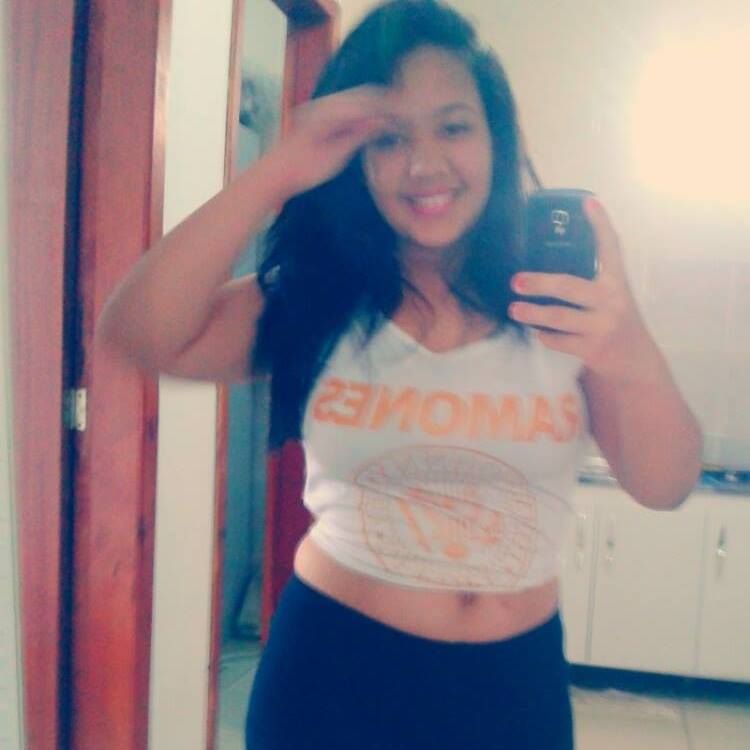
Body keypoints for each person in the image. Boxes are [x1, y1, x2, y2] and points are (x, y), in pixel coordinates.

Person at [96, 1, 702, 747]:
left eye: (454, 127)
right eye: (389, 139)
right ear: (355, 157)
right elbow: (137, 333)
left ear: (496, 138)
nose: (425, 165)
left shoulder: (559, 302)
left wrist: (628, 340)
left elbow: (665, 484)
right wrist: (277, 171)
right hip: (333, 676)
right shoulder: (319, 298)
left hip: (511, 688)